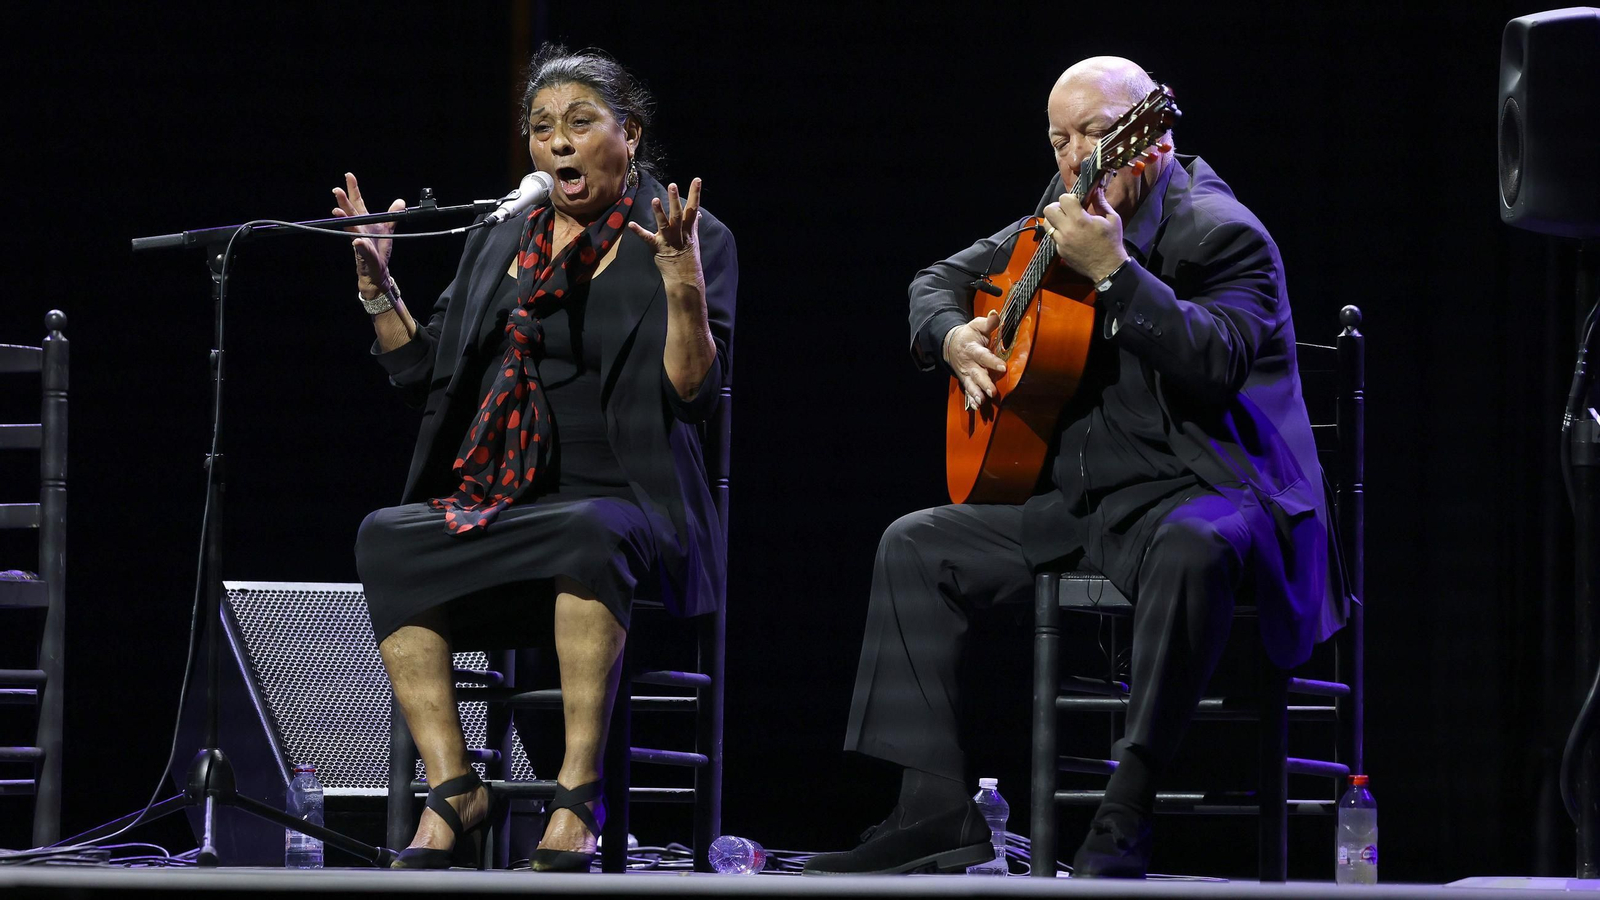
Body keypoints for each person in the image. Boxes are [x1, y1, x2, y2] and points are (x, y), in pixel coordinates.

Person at [803, 56, 1345, 878]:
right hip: (1089, 503)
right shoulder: (1056, 217)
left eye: (1095, 135)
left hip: (1215, 489)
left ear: (1150, 137)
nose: (1074, 159)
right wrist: (950, 336)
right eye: (1060, 140)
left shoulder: (1224, 231)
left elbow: (1219, 361)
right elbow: (934, 280)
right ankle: (934, 811)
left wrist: (1116, 274)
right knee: (915, 545)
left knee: (1194, 546)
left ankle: (1123, 816)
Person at [334, 44, 736, 871]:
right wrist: (381, 291)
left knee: (587, 530)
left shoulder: (686, 235)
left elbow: (692, 396)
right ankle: (454, 790)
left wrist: (682, 285)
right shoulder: (500, 240)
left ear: (630, 135)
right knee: (385, 534)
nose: (557, 143)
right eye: (542, 127)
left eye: (580, 123)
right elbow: (428, 377)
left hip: (629, 505)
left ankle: (577, 799)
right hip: (506, 502)